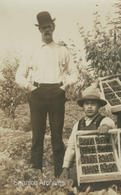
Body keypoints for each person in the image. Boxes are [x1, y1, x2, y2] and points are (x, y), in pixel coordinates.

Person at [15, 11, 78, 177]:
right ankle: (36, 176)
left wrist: (64, 87)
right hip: (37, 94)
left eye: (49, 27)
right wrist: (30, 87)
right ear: (39, 30)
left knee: (57, 138)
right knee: (37, 137)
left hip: (57, 94)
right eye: (43, 28)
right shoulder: (31, 50)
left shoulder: (62, 50)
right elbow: (18, 75)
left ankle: (59, 177)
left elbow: (74, 74)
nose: (46, 31)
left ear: (53, 27)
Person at [60, 86, 115, 181]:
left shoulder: (103, 120)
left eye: (93, 104)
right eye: (87, 104)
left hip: (103, 163)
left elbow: (111, 124)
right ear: (83, 106)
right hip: (85, 164)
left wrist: (106, 127)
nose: (89, 107)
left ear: (98, 106)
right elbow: (71, 147)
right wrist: (65, 168)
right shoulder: (78, 124)